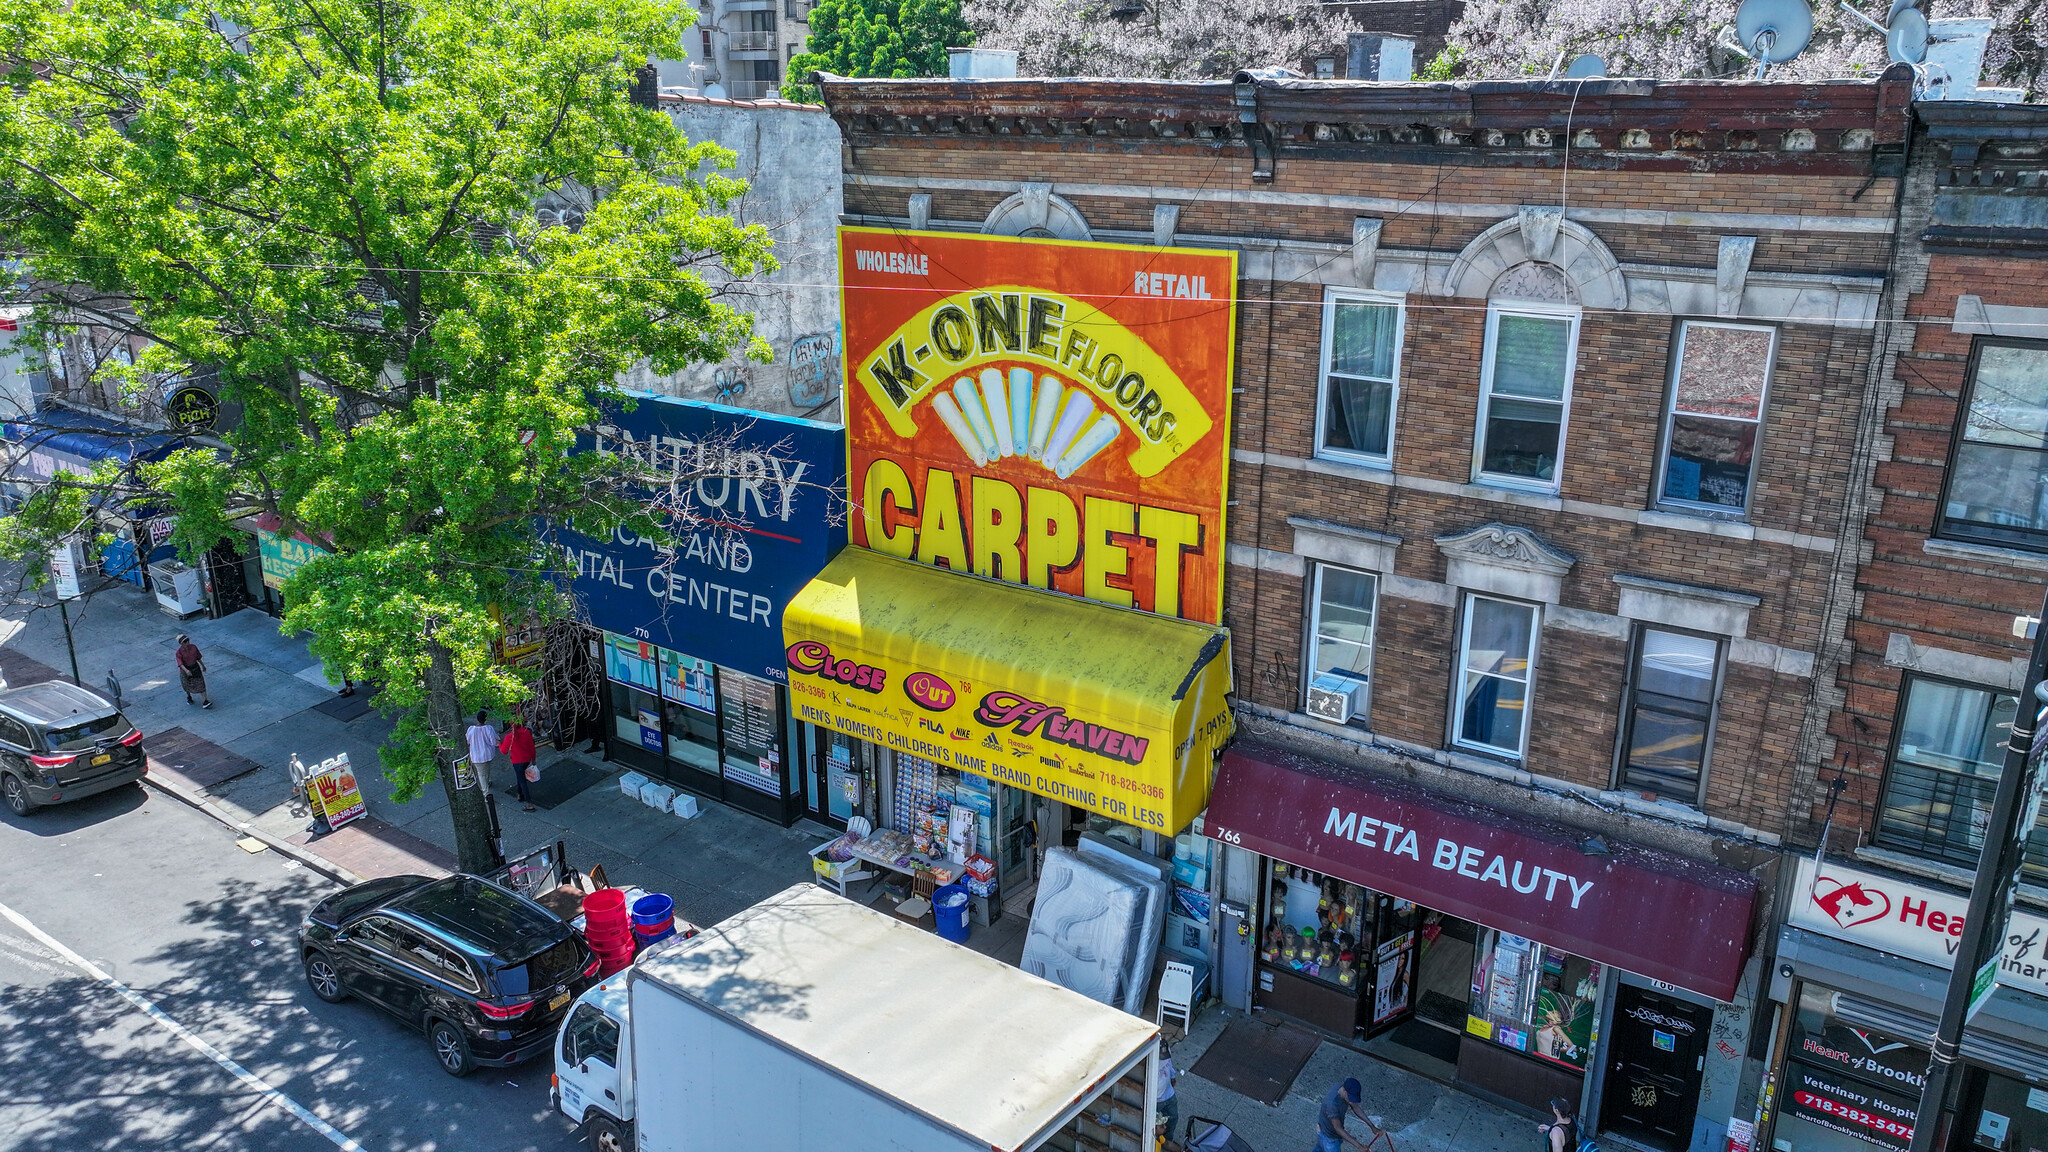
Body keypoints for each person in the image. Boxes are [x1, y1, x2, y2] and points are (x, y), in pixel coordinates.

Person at [1316, 1078, 1375, 1152]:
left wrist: (1372, 1126)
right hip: (1330, 1137)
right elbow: (1338, 1128)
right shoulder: (1332, 1104)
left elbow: (1355, 1107)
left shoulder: (1343, 1088)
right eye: (1350, 1098)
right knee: (1323, 1146)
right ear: (1344, 1091)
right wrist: (1359, 1146)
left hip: (1326, 1130)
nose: (1351, 1101)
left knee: (1319, 1148)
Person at [500, 716, 538, 811]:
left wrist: (499, 743)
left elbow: (504, 751)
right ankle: (519, 794)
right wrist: (533, 759)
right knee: (520, 776)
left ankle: (529, 803)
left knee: (522, 780)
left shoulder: (510, 737)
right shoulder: (526, 733)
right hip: (526, 759)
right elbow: (531, 747)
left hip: (517, 761)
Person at [464, 710, 499, 790]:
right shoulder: (488, 729)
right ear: (485, 719)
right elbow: (494, 742)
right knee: (485, 772)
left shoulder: (471, 729)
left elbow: (467, 741)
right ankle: (486, 792)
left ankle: (486, 788)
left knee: (481, 774)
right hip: (488, 754)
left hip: (476, 757)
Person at [174, 634, 212, 708]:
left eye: (187, 641)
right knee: (187, 685)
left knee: (201, 683)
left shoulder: (193, 647)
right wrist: (186, 670)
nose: (187, 643)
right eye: (185, 642)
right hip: (185, 670)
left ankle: (205, 701)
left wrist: (203, 665)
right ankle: (189, 696)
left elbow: (198, 657)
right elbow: (180, 663)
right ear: (181, 644)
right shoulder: (179, 652)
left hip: (195, 667)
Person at [1156, 1040, 1179, 1142]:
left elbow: (1169, 1063)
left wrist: (1172, 1075)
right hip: (1156, 1099)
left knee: (1173, 1118)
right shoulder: (1150, 1060)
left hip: (1169, 1093)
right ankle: (1158, 1141)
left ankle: (1168, 1140)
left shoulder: (1165, 1048)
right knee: (1158, 1124)